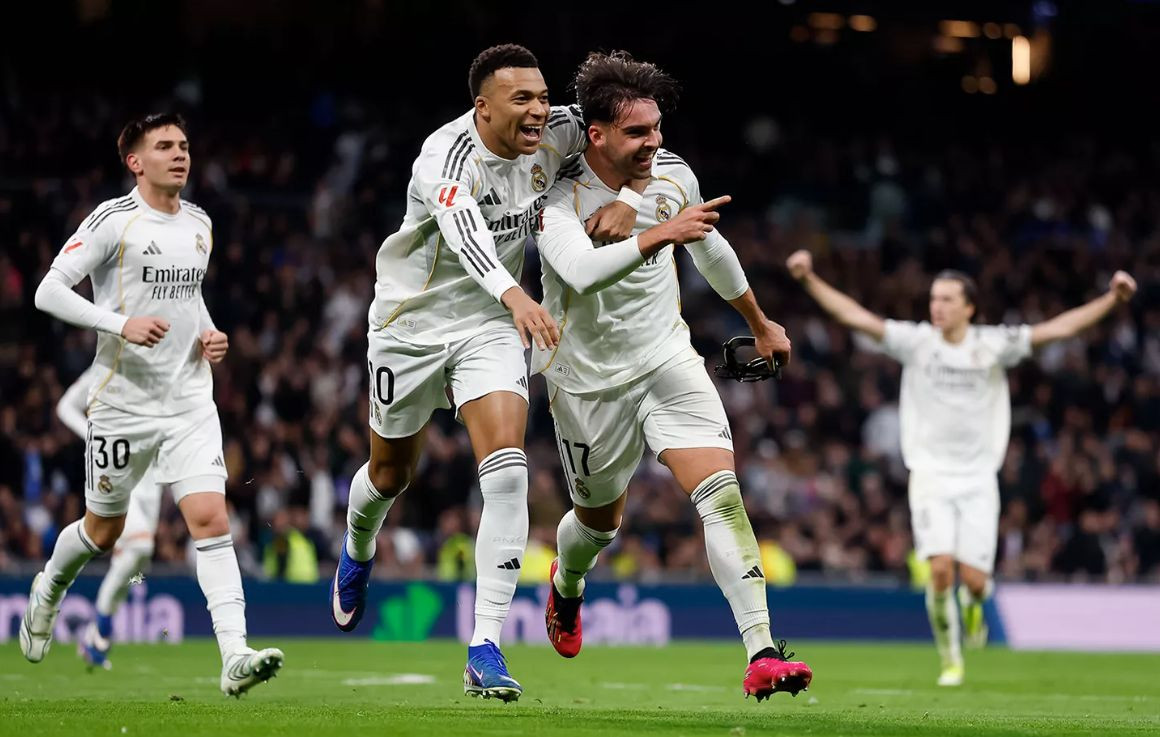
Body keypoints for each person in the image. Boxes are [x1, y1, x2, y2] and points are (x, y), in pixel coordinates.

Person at [331, 44, 636, 703]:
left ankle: (484, 645)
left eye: (543, 96)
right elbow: (465, 231)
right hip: (410, 326)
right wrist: (517, 294)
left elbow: (637, 137)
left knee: (507, 470)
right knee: (390, 474)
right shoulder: (444, 157)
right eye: (521, 98)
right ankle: (357, 546)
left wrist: (634, 197)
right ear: (483, 107)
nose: (539, 109)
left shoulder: (559, 129)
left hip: (489, 327)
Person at [532, 51, 812, 701]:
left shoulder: (672, 174)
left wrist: (760, 321)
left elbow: (708, 246)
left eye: (657, 127)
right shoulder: (555, 195)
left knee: (721, 494)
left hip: (666, 359)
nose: (653, 141)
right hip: (587, 383)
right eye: (637, 132)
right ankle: (567, 584)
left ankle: (762, 651)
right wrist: (661, 231)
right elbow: (580, 273)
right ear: (596, 134)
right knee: (597, 526)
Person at [786, 249, 1137, 686]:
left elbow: (1059, 329)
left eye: (948, 299)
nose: (937, 306)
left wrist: (1112, 299)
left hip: (977, 479)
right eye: (934, 298)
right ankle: (951, 660)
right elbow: (856, 318)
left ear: (970, 307)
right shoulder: (917, 342)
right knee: (939, 571)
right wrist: (808, 278)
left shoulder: (992, 345)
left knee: (973, 582)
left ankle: (974, 605)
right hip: (930, 474)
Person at [25, 113, 283, 697]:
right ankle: (49, 589)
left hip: (189, 399)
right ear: (135, 163)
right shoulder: (113, 221)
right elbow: (48, 291)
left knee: (211, 519)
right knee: (103, 531)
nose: (179, 153)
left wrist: (209, 333)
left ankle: (234, 656)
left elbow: (190, 299)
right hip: (122, 404)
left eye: (184, 145)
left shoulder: (200, 223)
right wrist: (121, 324)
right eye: (164, 146)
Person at [56, 365, 168, 671]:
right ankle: (99, 632)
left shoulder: (158, 369)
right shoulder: (104, 367)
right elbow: (65, 407)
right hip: (118, 480)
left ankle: (95, 638)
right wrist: (94, 437)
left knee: (132, 571)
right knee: (140, 547)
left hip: (150, 488)